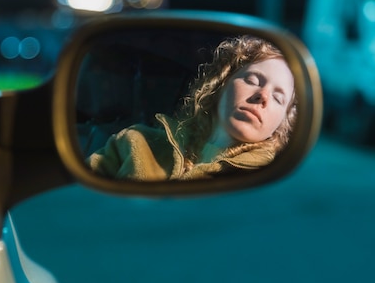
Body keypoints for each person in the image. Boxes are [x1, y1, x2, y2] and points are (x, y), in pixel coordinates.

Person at [86, 35, 297, 181]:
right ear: (221, 84)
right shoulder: (136, 142)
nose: (264, 96)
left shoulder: (268, 179)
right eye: (252, 80)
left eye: (279, 98)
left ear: (281, 123)